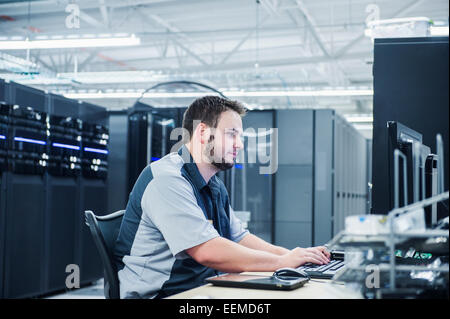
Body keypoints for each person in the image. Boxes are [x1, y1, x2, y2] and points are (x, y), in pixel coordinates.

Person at [114, 95, 330, 299]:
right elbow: (207, 251)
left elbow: (238, 237)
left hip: (198, 288)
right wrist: (281, 262)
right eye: (231, 134)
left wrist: (295, 258)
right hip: (159, 294)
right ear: (202, 133)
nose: (240, 144)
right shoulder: (166, 179)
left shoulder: (213, 185)